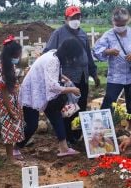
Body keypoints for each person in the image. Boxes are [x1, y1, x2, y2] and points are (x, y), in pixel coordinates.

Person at [43, 6, 100, 144]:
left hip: (83, 76)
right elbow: (48, 53)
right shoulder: (58, 34)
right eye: (72, 17)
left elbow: (88, 55)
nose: (75, 20)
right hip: (67, 78)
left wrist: (94, 73)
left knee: (81, 105)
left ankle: (77, 134)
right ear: (66, 19)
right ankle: (66, 136)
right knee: (67, 107)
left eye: (78, 17)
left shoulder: (83, 34)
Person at [18, 38, 83, 157]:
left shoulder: (54, 54)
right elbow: (52, 86)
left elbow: (49, 72)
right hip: (33, 93)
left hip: (41, 91)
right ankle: (15, 147)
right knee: (32, 124)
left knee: (56, 115)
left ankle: (63, 148)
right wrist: (71, 89)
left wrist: (63, 77)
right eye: (73, 56)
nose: (72, 59)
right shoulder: (53, 60)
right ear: (69, 53)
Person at [93, 8, 131, 129]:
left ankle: (130, 124)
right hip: (115, 76)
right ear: (113, 21)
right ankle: (103, 125)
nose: (120, 27)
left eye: (123, 24)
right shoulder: (108, 35)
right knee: (110, 100)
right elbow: (96, 51)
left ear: (127, 22)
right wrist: (108, 51)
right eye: (118, 24)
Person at [0, 35, 25, 163]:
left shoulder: (7, 63)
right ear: (12, 54)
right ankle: (10, 158)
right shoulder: (3, 67)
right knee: (7, 127)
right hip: (5, 101)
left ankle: (0, 155)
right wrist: (10, 109)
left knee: (6, 127)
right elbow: (4, 89)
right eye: (18, 55)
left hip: (10, 98)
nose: (19, 57)